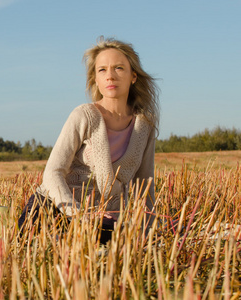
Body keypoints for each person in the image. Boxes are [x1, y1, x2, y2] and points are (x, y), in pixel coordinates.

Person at [18, 37, 159, 243]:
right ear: (96, 79)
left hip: (105, 219)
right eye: (102, 70)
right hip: (56, 210)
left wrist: (149, 229)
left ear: (133, 77)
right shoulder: (84, 115)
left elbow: (144, 184)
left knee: (119, 252)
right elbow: (52, 173)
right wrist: (77, 215)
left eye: (119, 68)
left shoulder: (144, 125)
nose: (110, 76)